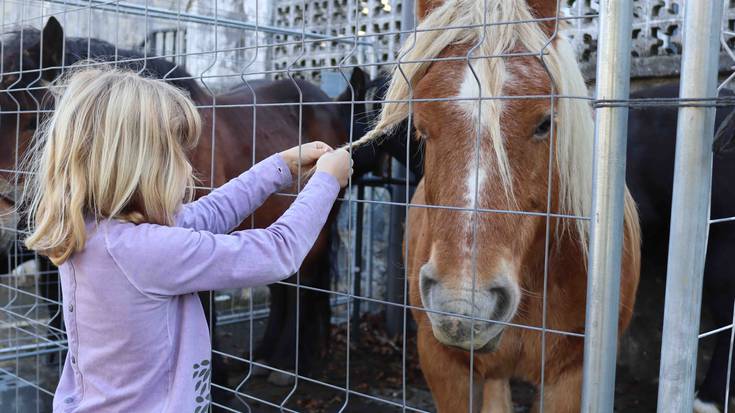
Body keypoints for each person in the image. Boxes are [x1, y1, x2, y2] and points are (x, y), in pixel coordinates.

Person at [22, 65, 352, 412]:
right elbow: (278, 252)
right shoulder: (146, 251)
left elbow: (206, 215)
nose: (186, 164)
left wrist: (279, 167)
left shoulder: (93, 231)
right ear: (137, 166)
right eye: (175, 153)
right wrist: (327, 181)